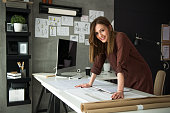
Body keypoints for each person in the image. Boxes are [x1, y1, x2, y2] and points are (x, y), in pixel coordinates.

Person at [75, 16, 153, 100]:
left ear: (109, 27)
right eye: (96, 33)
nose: (100, 35)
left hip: (139, 76)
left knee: (141, 103)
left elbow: (120, 64)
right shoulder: (103, 43)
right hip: (126, 77)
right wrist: (90, 83)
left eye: (102, 30)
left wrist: (120, 90)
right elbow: (97, 65)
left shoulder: (120, 37)